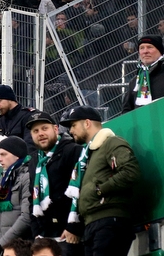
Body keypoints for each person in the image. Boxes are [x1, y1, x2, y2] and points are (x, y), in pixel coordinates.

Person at [59, 106, 141, 256]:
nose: (70, 131)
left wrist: (100, 190)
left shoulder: (111, 143)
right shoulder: (87, 154)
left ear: (87, 123)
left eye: (73, 125)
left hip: (110, 221)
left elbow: (130, 172)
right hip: (93, 224)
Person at [25, 110, 83, 254]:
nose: (40, 134)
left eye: (45, 128)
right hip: (45, 237)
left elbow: (81, 189)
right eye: (35, 131)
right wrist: (36, 232)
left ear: (55, 129)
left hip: (70, 235)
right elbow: (32, 198)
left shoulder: (72, 150)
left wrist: (74, 227)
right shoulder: (34, 161)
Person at [0, 136, 32, 256]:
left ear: (16, 155)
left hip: (20, 248)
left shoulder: (27, 177)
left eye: (3, 154)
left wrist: (1, 243)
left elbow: (26, 217)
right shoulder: (6, 179)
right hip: (6, 247)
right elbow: (0, 218)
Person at [121, 34, 164, 112]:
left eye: (150, 47)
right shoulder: (135, 81)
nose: (145, 51)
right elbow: (126, 110)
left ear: (160, 51)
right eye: (142, 48)